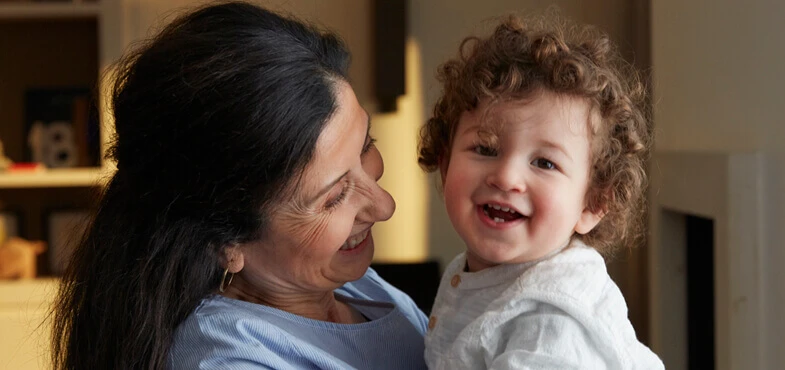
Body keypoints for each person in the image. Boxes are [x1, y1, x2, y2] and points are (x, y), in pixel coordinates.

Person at [50, 2, 429, 369]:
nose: (384, 205)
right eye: (333, 198)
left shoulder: (350, 285)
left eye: (366, 147)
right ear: (226, 244)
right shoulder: (228, 360)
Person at [418, 15, 664, 369]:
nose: (506, 177)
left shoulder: (553, 320)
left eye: (545, 163)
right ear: (444, 165)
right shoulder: (473, 271)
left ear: (593, 203)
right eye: (485, 149)